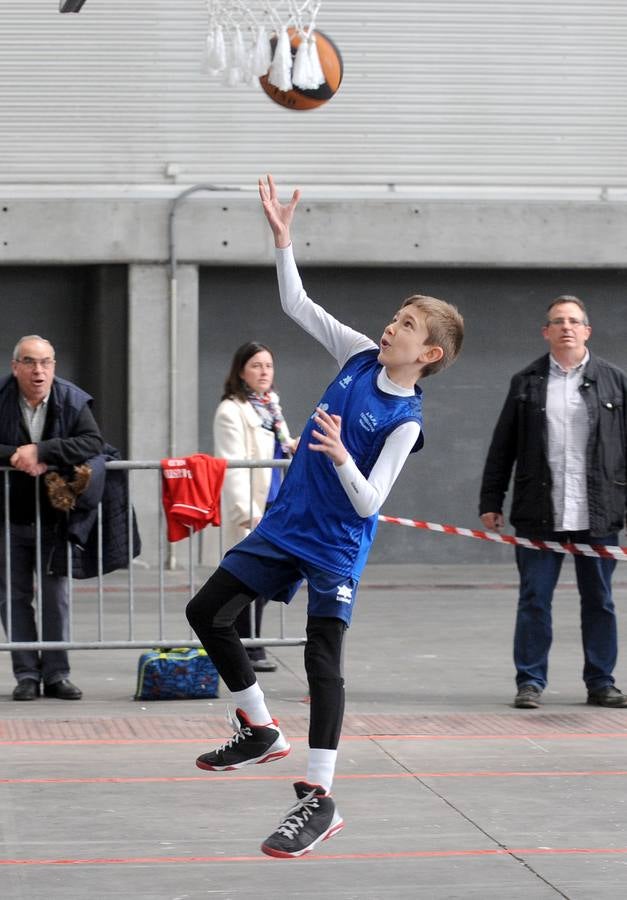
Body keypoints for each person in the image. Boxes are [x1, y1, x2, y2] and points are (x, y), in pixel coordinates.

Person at [186, 174, 464, 858]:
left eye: (405, 324)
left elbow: (370, 501)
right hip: (286, 523)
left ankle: (319, 798)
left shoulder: (404, 419)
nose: (390, 325)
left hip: (336, 544)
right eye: (396, 316)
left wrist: (342, 453)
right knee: (205, 614)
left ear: (427, 353)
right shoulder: (357, 356)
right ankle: (260, 730)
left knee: (321, 663)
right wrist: (282, 240)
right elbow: (297, 303)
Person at [479, 297, 627, 710]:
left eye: (574, 321)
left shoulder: (615, 381)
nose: (566, 327)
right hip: (539, 512)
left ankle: (601, 682)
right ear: (546, 331)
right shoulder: (525, 382)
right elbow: (502, 445)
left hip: (598, 514)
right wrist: (492, 499)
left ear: (587, 331)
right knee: (534, 598)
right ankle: (530, 681)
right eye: (558, 321)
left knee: (599, 599)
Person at [0, 335, 104, 701]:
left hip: (56, 518)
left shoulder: (71, 398)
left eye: (45, 362)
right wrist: (17, 454)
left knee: (55, 597)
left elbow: (93, 442)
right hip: (9, 517)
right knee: (13, 597)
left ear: (54, 366)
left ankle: (57, 674)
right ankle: (27, 674)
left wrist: (42, 450)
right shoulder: (2, 397)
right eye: (29, 362)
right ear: (15, 367)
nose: (38, 370)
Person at [213, 341, 297, 672]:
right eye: (256, 366)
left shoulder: (271, 405)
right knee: (249, 577)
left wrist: (294, 446)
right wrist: (248, 513)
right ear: (241, 371)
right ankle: (247, 644)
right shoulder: (231, 411)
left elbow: (281, 445)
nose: (264, 372)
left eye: (268, 366)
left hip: (276, 499)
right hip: (253, 504)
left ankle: (248, 641)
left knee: (266, 576)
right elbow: (233, 466)